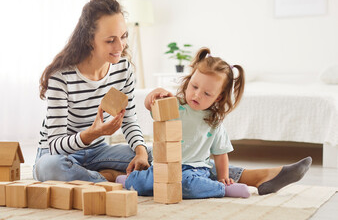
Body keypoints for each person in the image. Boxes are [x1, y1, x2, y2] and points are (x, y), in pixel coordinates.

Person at [116, 47, 312, 198]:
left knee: (187, 185)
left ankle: (222, 189)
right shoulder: (175, 105)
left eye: (207, 93)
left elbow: (221, 154)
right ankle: (129, 180)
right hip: (164, 166)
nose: (197, 95)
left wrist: (223, 178)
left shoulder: (214, 121)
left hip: (196, 170)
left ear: (218, 98)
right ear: (190, 79)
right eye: (194, 86)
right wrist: (155, 94)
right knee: (145, 183)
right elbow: (150, 106)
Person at [33, 0, 152, 183]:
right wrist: (92, 133)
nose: (120, 46)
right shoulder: (61, 76)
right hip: (60, 154)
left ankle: (88, 178)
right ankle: (107, 178)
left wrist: (141, 152)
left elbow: (129, 120)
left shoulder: (123, 68)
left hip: (98, 152)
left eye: (123, 36)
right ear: (89, 39)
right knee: (49, 168)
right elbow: (55, 145)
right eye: (110, 40)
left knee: (156, 155)